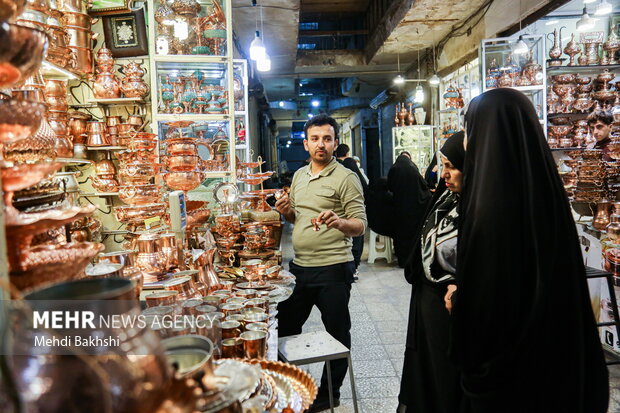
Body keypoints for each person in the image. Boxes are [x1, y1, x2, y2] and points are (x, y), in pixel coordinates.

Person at [452, 88, 609, 413]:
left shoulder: (489, 207)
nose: (466, 142)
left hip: (507, 383)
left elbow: (488, 307)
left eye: (469, 130)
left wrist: (459, 301)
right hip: (556, 370)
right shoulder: (546, 194)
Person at [275, 114, 367, 412]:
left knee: (337, 333)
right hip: (301, 268)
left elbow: (360, 225)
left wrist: (340, 222)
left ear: (335, 143)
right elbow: (296, 220)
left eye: (327, 138)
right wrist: (286, 211)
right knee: (285, 326)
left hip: (333, 268)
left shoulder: (346, 178)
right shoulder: (300, 176)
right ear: (305, 144)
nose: (321, 144)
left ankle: (330, 393)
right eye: (315, 139)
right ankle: (292, 384)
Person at [397, 131, 465, 413]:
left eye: (451, 166)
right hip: (427, 299)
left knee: (447, 374)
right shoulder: (446, 199)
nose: (444, 174)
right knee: (428, 371)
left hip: (451, 304)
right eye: (442, 165)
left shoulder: (479, 204)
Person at [387, 151, 431, 267]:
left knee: (400, 234)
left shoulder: (394, 168)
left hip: (399, 208)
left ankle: (402, 260)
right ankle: (413, 260)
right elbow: (423, 185)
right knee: (412, 234)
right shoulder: (413, 168)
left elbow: (390, 186)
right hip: (414, 208)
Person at [335, 143, 368, 278]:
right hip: (354, 209)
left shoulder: (336, 168)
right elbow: (365, 186)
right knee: (356, 237)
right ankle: (354, 266)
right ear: (347, 153)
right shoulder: (352, 167)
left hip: (339, 212)